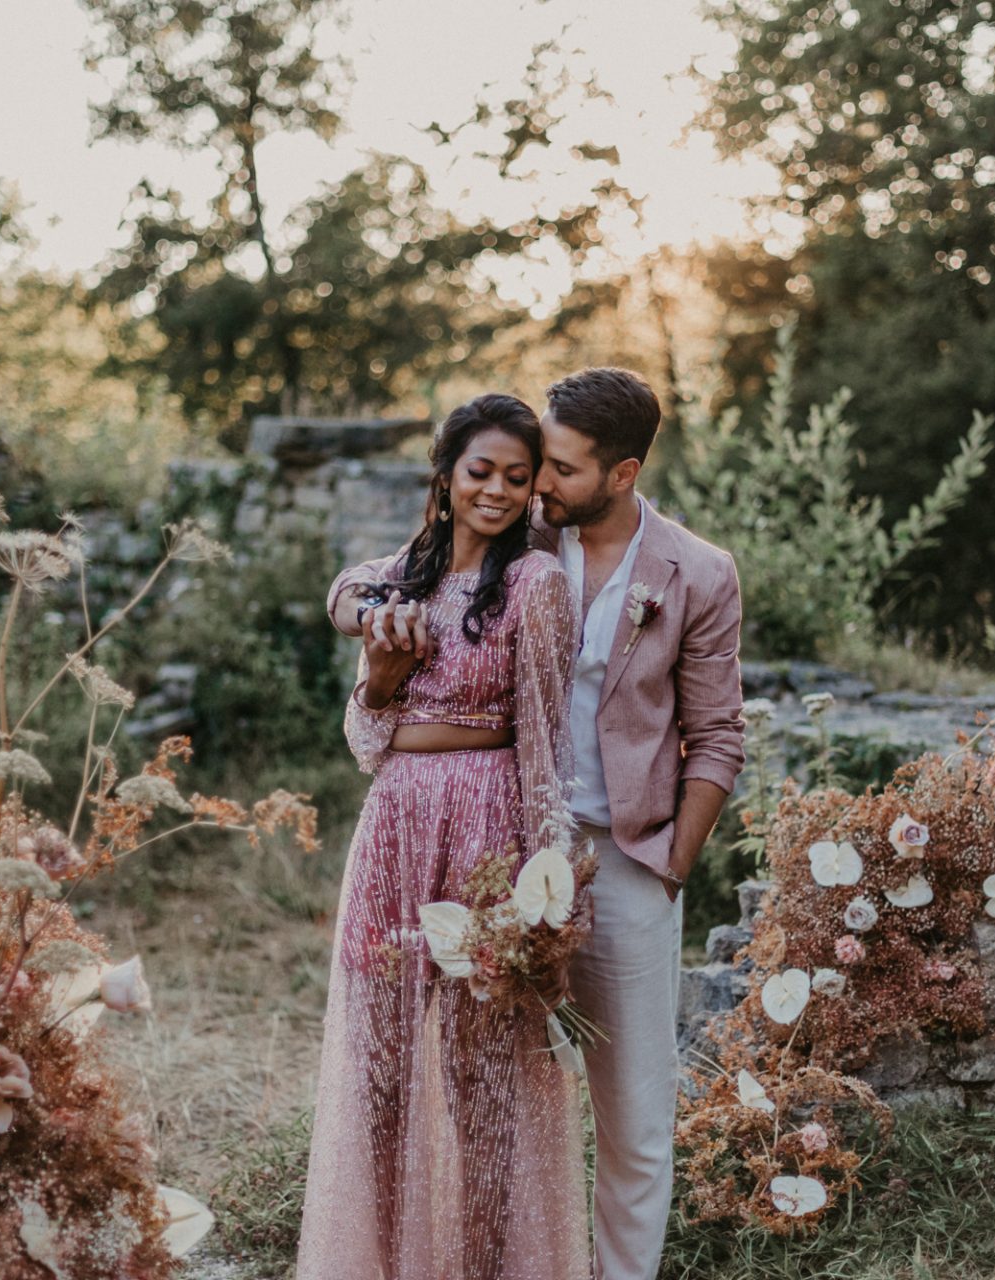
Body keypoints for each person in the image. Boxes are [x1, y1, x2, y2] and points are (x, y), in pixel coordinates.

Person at [327, 368, 746, 1280]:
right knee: (495, 1091)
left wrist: (670, 867)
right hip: (493, 850)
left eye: (556, 468)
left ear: (622, 472)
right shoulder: (520, 532)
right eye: (532, 465)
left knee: (632, 1117)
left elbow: (717, 738)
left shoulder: (698, 572)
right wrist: (362, 612)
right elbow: (383, 570)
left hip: (624, 860)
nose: (536, 486)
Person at [297, 393, 589, 1280]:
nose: (495, 491)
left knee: (483, 1076)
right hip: (392, 827)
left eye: (514, 476)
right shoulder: (402, 579)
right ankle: (383, 1262)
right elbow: (363, 741)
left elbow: (546, 737)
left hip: (486, 828)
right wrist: (378, 673)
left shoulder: (536, 586)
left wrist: (546, 877)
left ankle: (488, 1263)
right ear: (447, 474)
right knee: (378, 1069)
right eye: (479, 472)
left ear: (534, 487)